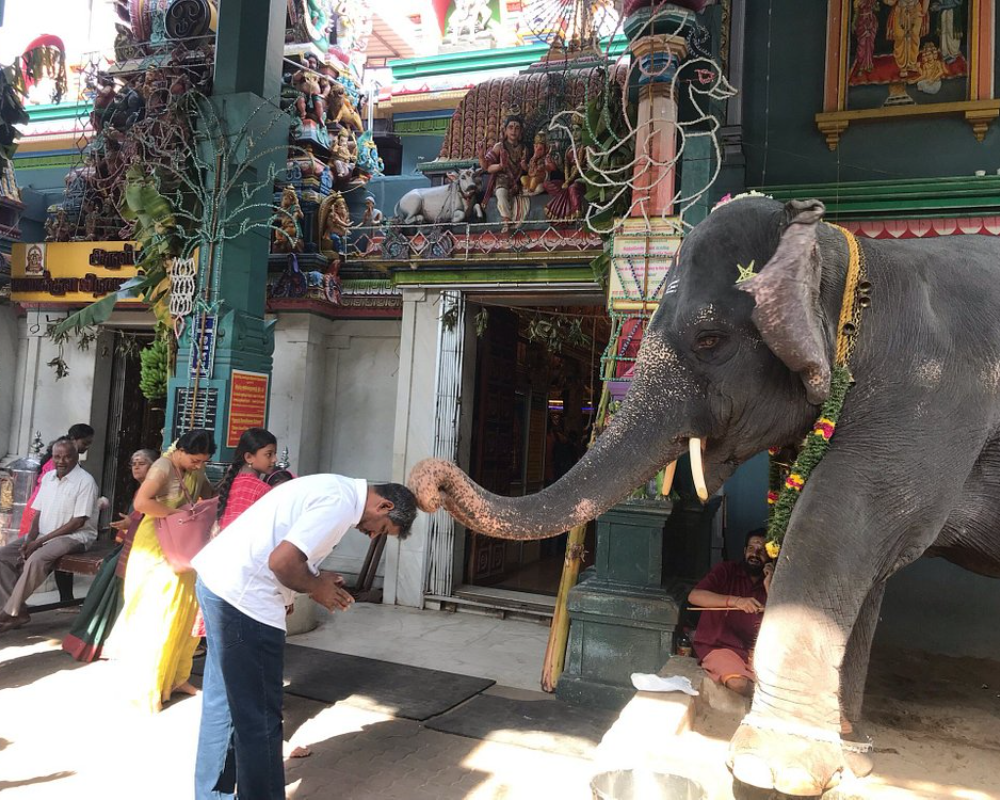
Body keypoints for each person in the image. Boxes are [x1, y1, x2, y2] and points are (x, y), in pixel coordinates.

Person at [192, 476, 418, 800]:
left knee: (223, 703)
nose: (372, 536)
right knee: (259, 717)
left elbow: (287, 552)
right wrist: (316, 587)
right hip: (245, 603)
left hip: (221, 585)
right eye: (380, 529)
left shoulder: (335, 488)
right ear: (385, 505)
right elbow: (282, 562)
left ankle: (212, 795)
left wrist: (314, 576)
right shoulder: (340, 504)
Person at [110, 429, 216, 712]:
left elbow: (208, 495)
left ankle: (177, 679)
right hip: (156, 549)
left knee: (185, 615)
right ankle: (148, 687)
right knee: (157, 618)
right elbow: (141, 503)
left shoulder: (195, 469)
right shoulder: (163, 467)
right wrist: (178, 515)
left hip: (184, 549)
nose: (198, 466)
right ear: (180, 451)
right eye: (195, 460)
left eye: (203, 461)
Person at [62, 448, 157, 661]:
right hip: (131, 545)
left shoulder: (157, 491)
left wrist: (132, 523)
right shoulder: (141, 490)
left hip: (145, 549)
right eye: (133, 463)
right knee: (107, 569)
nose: (136, 467)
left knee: (114, 574)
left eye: (141, 463)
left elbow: (155, 521)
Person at [0, 438, 99, 633]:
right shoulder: (48, 478)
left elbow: (78, 522)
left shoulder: (86, 481)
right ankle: (17, 611)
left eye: (67, 457)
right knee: (3, 556)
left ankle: (7, 613)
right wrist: (30, 540)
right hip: (43, 534)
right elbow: (38, 513)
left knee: (36, 559)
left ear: (76, 457)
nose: (61, 461)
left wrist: (39, 543)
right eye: (57, 457)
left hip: (74, 537)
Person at [191, 429, 278, 639]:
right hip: (242, 576)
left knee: (219, 641)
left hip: (216, 572)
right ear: (249, 457)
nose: (274, 460)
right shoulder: (262, 490)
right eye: (269, 454)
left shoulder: (230, 484)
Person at [688, 529, 774, 697]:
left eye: (762, 551)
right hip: (720, 647)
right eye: (751, 549)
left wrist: (770, 586)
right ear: (744, 551)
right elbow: (694, 597)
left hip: (754, 653)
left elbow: (782, 619)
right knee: (738, 683)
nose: (755, 554)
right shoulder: (727, 570)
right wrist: (736, 601)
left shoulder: (771, 581)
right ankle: (765, 699)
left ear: (770, 556)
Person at [18, 423, 95, 537]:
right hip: (42, 512)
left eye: (89, 444)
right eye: (84, 443)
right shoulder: (58, 466)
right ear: (73, 440)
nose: (87, 447)